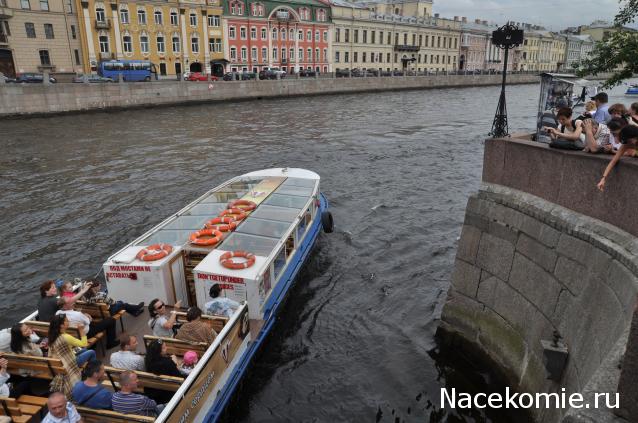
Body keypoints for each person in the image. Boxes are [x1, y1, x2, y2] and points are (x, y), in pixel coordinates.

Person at [47, 315, 82, 398]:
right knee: (90, 352)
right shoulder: (65, 337)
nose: (68, 321)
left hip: (58, 365)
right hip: (68, 362)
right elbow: (83, 343)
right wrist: (81, 331)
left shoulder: (52, 336)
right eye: (66, 320)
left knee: (83, 351)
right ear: (61, 325)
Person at [597, 125, 638, 191]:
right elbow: (613, 161)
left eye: (632, 140)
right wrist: (603, 178)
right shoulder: (626, 144)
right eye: (629, 141)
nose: (632, 142)